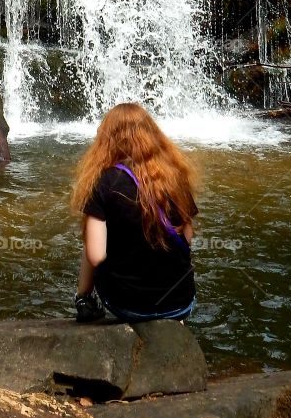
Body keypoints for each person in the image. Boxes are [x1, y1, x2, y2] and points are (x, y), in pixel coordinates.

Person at [71, 102, 198, 323]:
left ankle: (84, 300)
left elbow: (96, 255)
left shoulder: (103, 182)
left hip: (127, 306)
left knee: (91, 239)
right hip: (181, 304)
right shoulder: (175, 177)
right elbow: (186, 239)